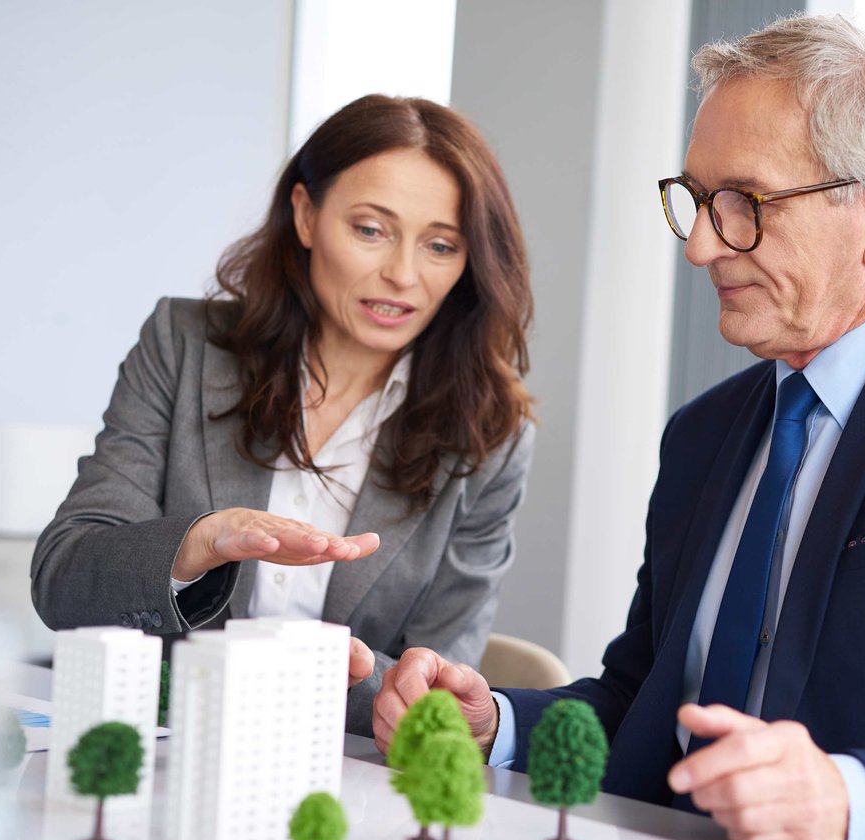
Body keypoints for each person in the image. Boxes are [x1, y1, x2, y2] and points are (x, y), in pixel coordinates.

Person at [374, 15, 865, 840]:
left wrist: (849, 803)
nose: (703, 246)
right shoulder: (704, 435)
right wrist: (496, 725)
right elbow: (643, 708)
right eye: (697, 201)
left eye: (745, 203)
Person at [31, 95, 535, 737]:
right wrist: (197, 545)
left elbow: (436, 694)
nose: (403, 274)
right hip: (153, 756)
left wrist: (314, 671)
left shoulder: (491, 434)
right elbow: (63, 580)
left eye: (440, 245)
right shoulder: (185, 347)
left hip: (336, 782)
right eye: (371, 230)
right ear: (305, 216)